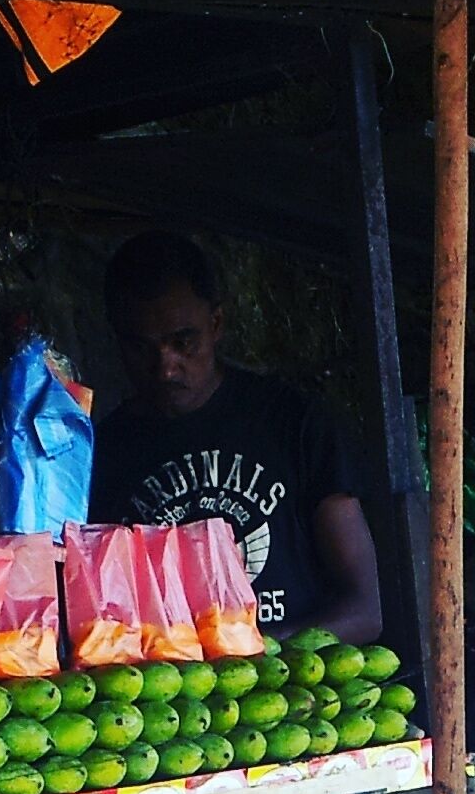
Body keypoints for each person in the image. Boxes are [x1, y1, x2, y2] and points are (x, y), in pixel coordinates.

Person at [90, 231, 383, 643]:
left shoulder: (294, 422)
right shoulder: (101, 455)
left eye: (183, 342)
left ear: (216, 324)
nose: (166, 367)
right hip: (168, 701)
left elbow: (366, 610)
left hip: (300, 691)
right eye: (142, 348)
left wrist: (257, 656)